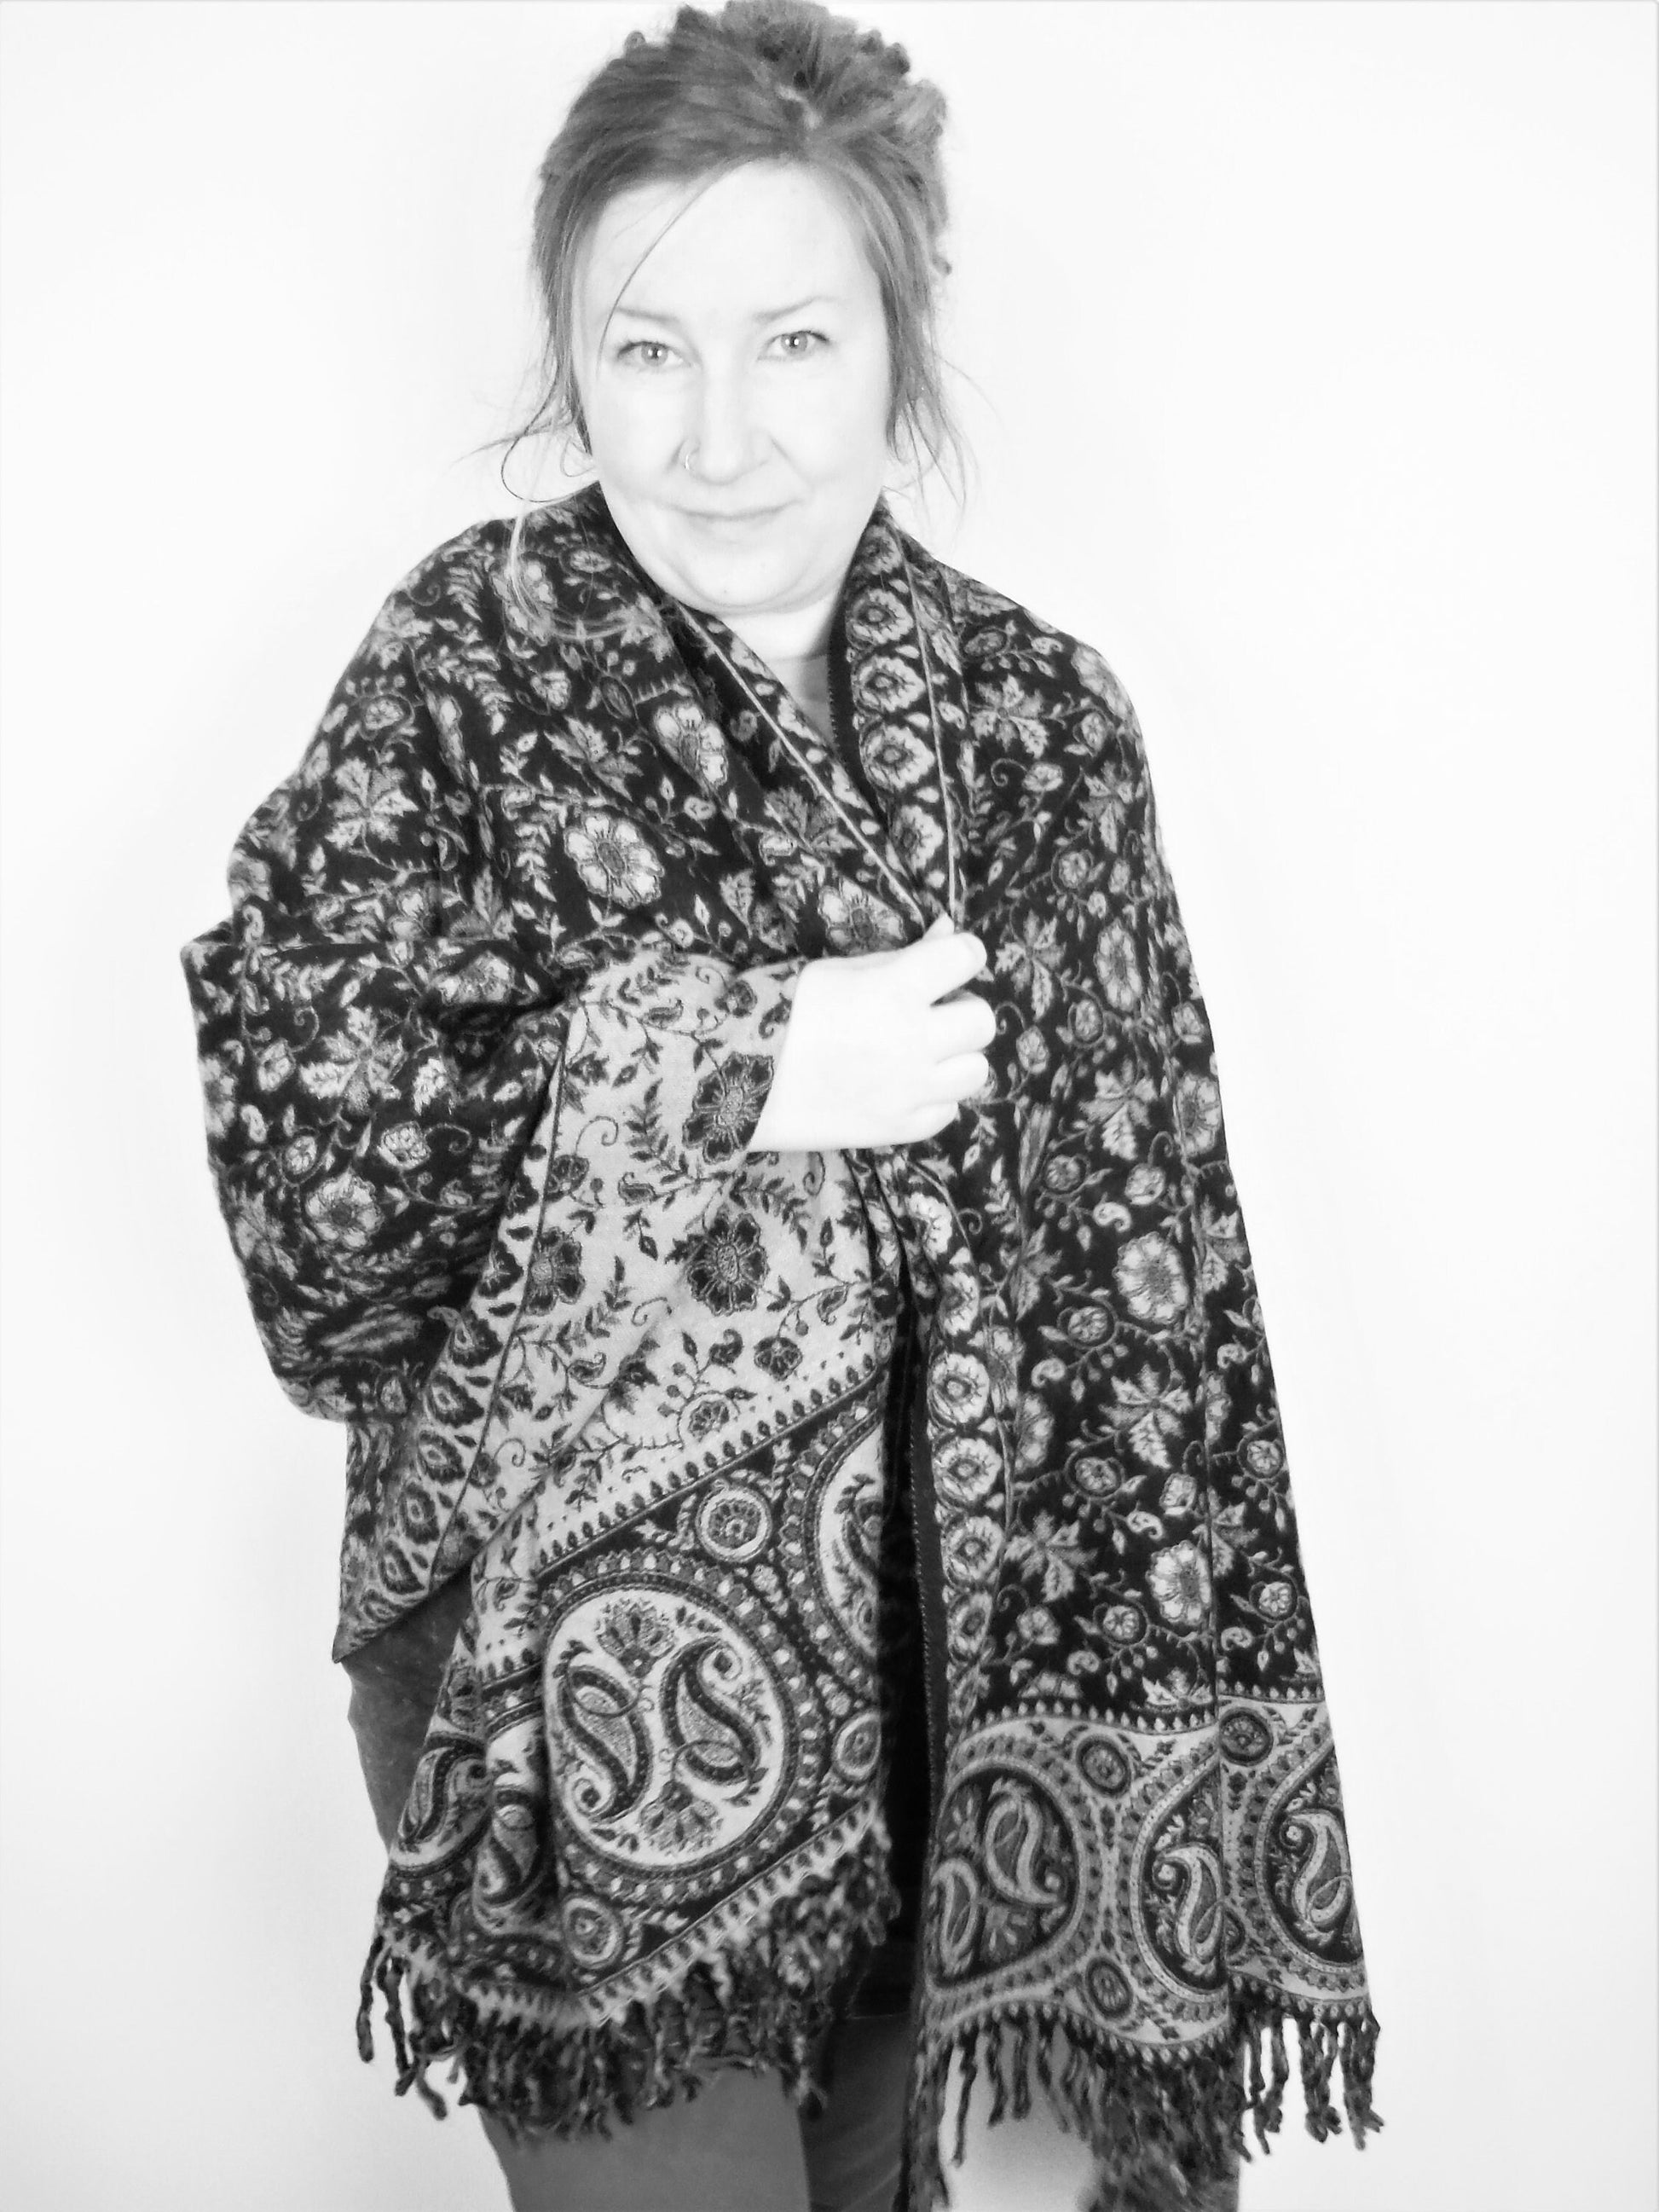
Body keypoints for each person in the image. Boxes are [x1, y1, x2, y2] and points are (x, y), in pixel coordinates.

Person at [180, 6, 1381, 2211]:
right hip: (587, 1699)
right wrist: (736, 1062)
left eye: (795, 343)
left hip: (991, 1689)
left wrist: (1119, 1858)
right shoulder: (461, 675)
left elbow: (1158, 1297)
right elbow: (314, 1221)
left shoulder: (1044, 727)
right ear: (571, 358)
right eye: (647, 350)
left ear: (900, 348)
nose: (718, 436)